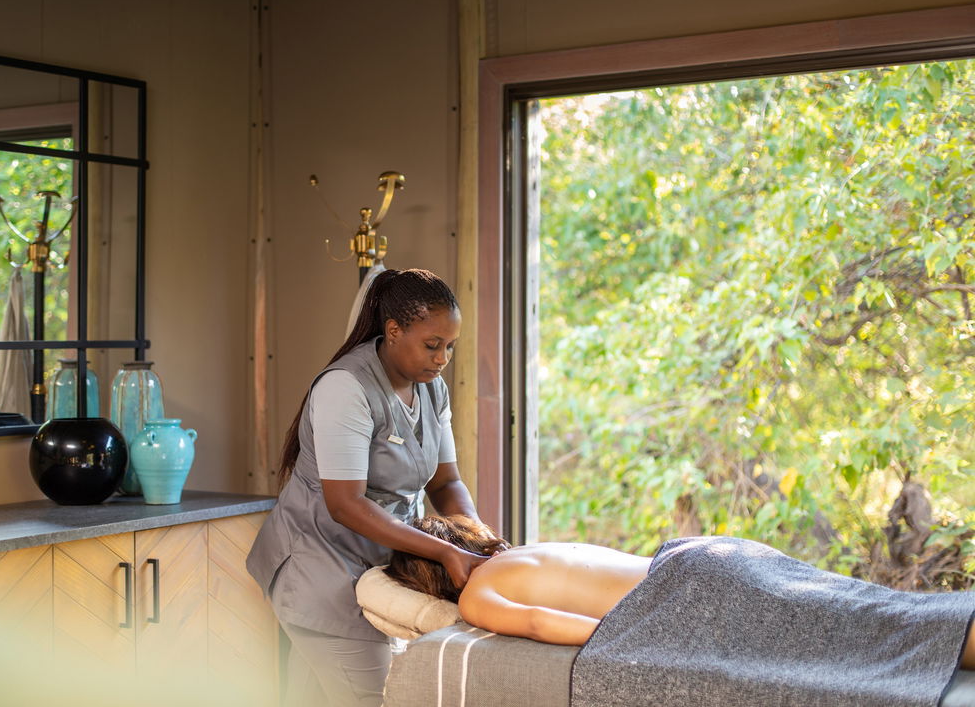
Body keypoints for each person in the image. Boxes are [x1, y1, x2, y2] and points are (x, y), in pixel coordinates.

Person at [246, 269, 490, 707]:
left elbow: (446, 480)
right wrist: (446, 552)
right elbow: (346, 504)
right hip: (320, 568)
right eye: (432, 345)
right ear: (394, 331)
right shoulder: (346, 387)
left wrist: (476, 538)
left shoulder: (431, 390)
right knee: (375, 698)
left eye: (449, 347)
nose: (442, 359)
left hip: (377, 564)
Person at [385, 515, 975, 670]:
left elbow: (542, 626)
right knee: (862, 610)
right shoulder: (517, 552)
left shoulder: (475, 597)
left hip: (688, 594)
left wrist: (634, 643)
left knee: (856, 636)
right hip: (701, 556)